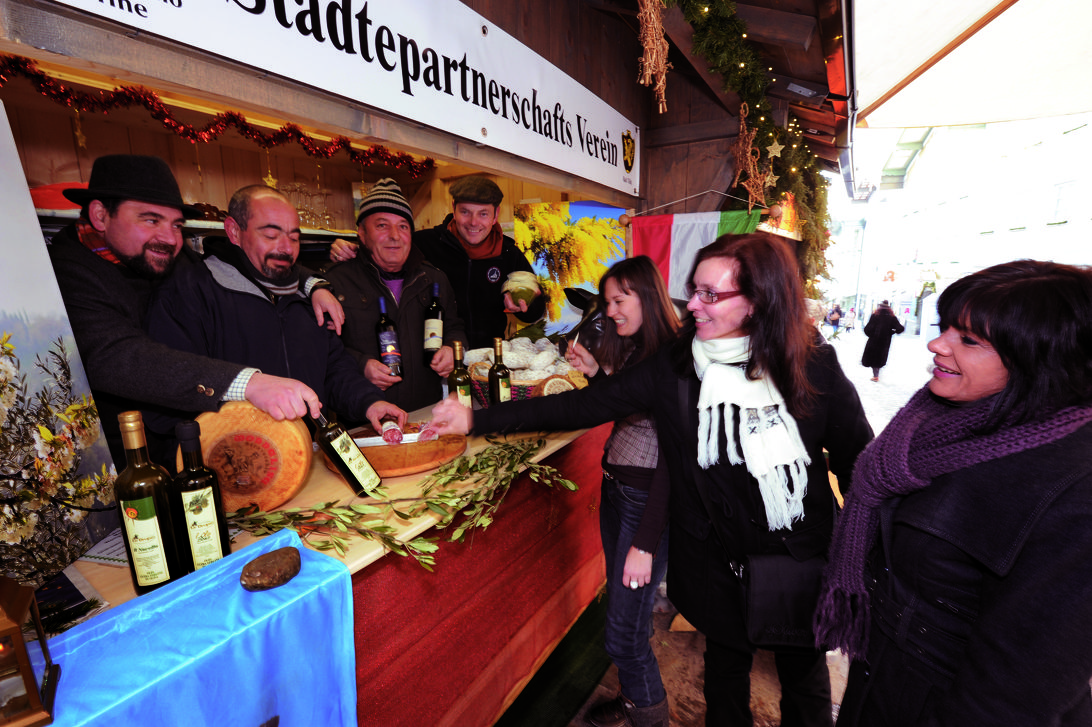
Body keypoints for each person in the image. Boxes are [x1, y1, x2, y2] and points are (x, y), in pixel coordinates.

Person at [431, 233, 874, 727]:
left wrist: (861, 552)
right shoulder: (678, 364)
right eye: (695, 290)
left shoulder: (811, 362)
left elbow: (861, 461)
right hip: (717, 561)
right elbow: (584, 404)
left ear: (757, 301)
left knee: (805, 689)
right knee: (725, 680)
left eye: (711, 295)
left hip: (796, 559)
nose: (694, 306)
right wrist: (475, 419)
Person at [815, 260, 1092, 726]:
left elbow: (1018, 687)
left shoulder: (1074, 486)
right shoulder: (933, 423)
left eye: (969, 340)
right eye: (946, 327)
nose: (935, 343)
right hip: (881, 680)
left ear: (1039, 360)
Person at [47, 155, 344, 465]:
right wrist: (248, 383)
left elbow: (237, 257)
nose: (169, 238)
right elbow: (117, 357)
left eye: (176, 224)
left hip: (191, 450)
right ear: (99, 215)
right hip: (118, 461)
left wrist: (313, 284)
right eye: (151, 220)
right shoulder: (67, 274)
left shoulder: (167, 256)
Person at [144, 184, 405, 434]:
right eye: (270, 235)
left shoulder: (308, 294)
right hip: (236, 463)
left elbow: (334, 369)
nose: (285, 248)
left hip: (307, 454)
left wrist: (369, 402)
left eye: (294, 237)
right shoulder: (189, 292)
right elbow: (168, 394)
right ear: (234, 231)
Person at [561, 256, 679, 727]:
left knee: (624, 636)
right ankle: (634, 702)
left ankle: (649, 714)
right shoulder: (639, 348)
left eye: (617, 300)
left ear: (646, 295)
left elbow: (673, 459)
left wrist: (646, 542)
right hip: (620, 493)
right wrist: (594, 373)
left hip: (643, 505)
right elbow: (627, 409)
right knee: (626, 615)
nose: (608, 311)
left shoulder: (672, 358)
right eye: (606, 301)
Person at [329, 175, 545, 348]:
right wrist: (352, 248)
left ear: (496, 215)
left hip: (487, 360)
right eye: (465, 212)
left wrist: (526, 304)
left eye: (483, 214)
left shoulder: (508, 252)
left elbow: (534, 312)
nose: (473, 222)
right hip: (436, 362)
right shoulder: (424, 243)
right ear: (453, 207)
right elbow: (382, 251)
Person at [324, 178, 466, 412]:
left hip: (427, 414)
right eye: (382, 225)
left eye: (403, 226)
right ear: (361, 232)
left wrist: (452, 348)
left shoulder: (434, 279)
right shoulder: (334, 283)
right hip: (363, 421)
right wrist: (360, 365)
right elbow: (324, 349)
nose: (395, 235)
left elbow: (455, 327)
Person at [860, 300, 904, 381]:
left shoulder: (875, 315)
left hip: (873, 341)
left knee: (873, 358)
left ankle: (876, 376)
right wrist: (891, 332)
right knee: (880, 358)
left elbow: (867, 329)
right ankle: (876, 375)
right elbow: (900, 328)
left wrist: (871, 334)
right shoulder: (892, 317)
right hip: (885, 342)